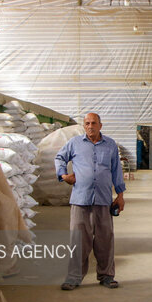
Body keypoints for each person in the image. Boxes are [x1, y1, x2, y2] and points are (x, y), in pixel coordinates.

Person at [55, 112, 126, 290]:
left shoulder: (109, 145)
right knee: (78, 240)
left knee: (105, 240)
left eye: (93, 123)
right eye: (87, 123)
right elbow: (60, 157)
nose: (90, 126)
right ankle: (73, 277)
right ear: (83, 125)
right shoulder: (75, 143)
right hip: (80, 200)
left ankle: (107, 276)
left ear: (100, 125)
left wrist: (120, 195)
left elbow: (116, 170)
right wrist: (63, 175)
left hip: (103, 200)